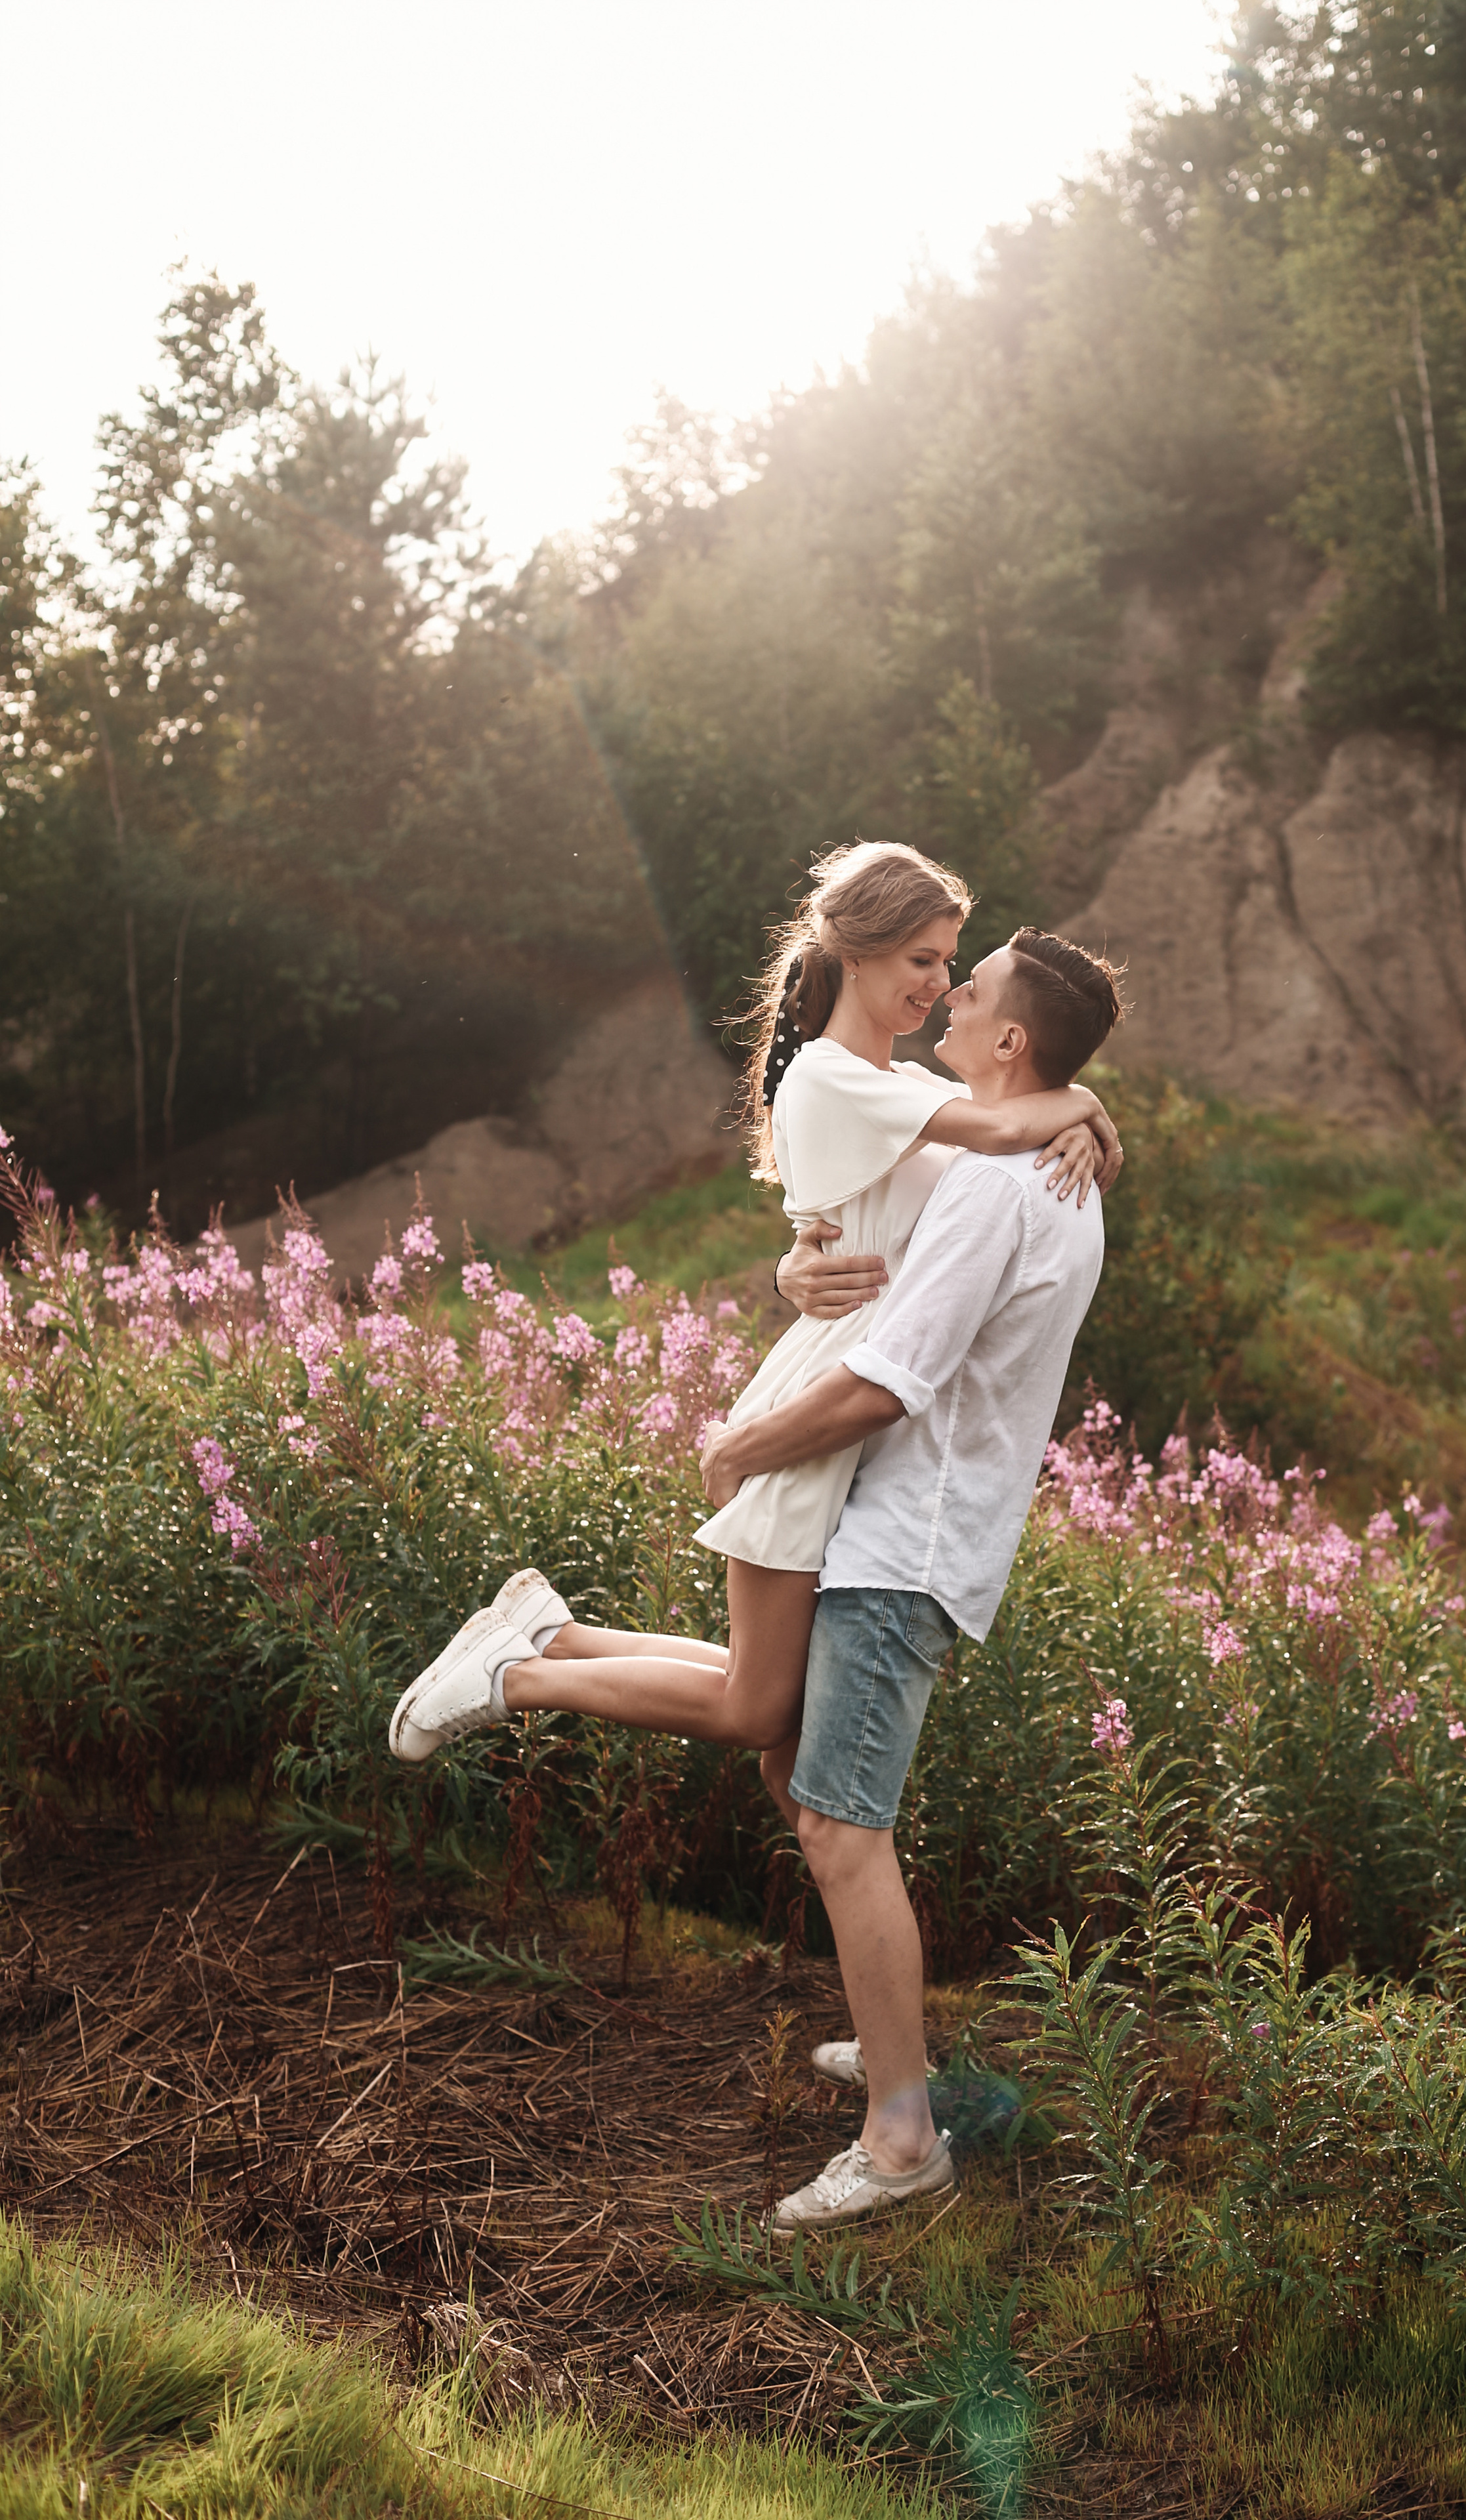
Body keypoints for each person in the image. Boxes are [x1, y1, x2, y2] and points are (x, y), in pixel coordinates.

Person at [388, 841, 1120, 1767]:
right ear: (857, 952)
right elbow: (1007, 1122)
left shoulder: (903, 1085)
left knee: (768, 1703)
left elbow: (1005, 1116)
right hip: (828, 1392)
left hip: (854, 1402)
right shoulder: (829, 1075)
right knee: (757, 1710)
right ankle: (516, 1675)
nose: (939, 985)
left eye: (949, 964)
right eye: (924, 961)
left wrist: (1078, 1111)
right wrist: (1083, 1100)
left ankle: (546, 1639)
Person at [695, 924, 1121, 2231]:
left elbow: (894, 1378)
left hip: (905, 1550)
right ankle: (897, 2071)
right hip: (906, 1536)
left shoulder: (1002, 1185)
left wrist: (737, 1445)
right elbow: (858, 1259)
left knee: (838, 1824)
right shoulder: (1025, 1156)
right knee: (801, 1783)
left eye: (970, 985)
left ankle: (898, 2143)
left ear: (1008, 1042)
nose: (947, 993)